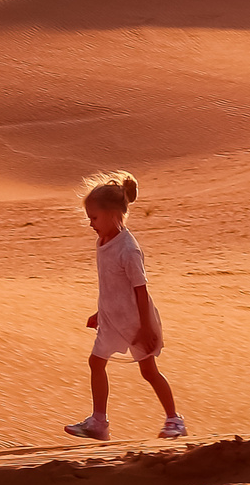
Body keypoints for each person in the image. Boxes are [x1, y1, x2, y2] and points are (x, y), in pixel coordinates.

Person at [65, 170, 186, 442]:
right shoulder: (103, 242)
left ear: (113, 214)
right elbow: (111, 285)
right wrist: (101, 312)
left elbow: (140, 290)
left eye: (94, 217)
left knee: (149, 372)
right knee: (96, 362)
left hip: (135, 323)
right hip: (112, 319)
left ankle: (174, 420)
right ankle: (98, 422)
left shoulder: (128, 249)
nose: (90, 223)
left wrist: (145, 327)